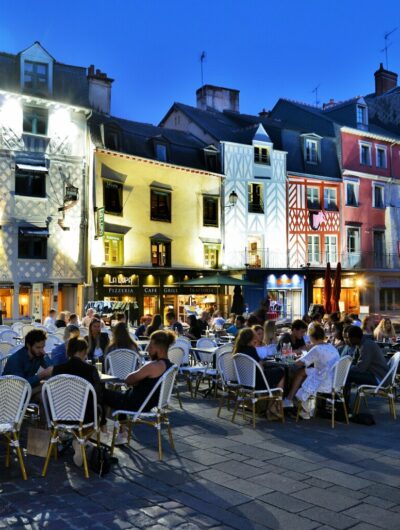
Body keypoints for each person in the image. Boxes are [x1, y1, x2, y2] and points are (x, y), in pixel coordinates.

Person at [102, 330, 175, 442]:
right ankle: (122, 431)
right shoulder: (169, 365)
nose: (148, 351)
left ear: (157, 347)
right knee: (119, 395)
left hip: (134, 403)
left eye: (150, 347)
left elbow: (128, 380)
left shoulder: (154, 366)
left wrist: (137, 379)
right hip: (149, 403)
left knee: (99, 392)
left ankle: (102, 430)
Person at [52, 337, 103, 467]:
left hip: (59, 416)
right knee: (98, 407)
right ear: (82, 351)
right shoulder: (90, 370)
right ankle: (81, 440)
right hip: (84, 418)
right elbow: (98, 396)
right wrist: (103, 421)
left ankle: (77, 440)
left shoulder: (57, 369)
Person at [284, 325, 340, 418]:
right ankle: (295, 402)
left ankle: (289, 399)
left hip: (325, 382)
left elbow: (299, 363)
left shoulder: (317, 348)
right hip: (335, 381)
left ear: (311, 337)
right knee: (305, 372)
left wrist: (289, 358)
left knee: (301, 372)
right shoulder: (331, 346)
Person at [233, 328, 285, 407]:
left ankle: (269, 405)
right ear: (251, 339)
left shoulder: (238, 350)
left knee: (274, 371)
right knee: (282, 371)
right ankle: (273, 406)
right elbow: (261, 369)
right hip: (257, 382)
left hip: (243, 382)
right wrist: (261, 361)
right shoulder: (252, 350)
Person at [345, 326, 389, 405]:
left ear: (355, 338)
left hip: (378, 378)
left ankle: (343, 405)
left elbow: (361, 368)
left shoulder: (366, 345)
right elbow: (354, 361)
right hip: (375, 374)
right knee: (346, 374)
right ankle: (344, 404)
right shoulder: (361, 343)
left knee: (346, 375)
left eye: (349, 338)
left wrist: (346, 369)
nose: (348, 340)